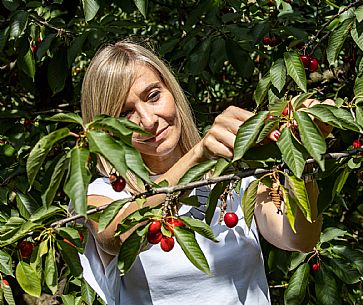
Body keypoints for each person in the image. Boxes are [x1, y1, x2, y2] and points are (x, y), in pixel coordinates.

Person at [80, 40, 329, 305]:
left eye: (153, 96)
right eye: (125, 113)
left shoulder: (232, 174)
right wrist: (198, 157)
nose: (149, 120)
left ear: (171, 92)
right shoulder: (102, 194)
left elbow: (300, 238)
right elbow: (113, 236)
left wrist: (303, 158)